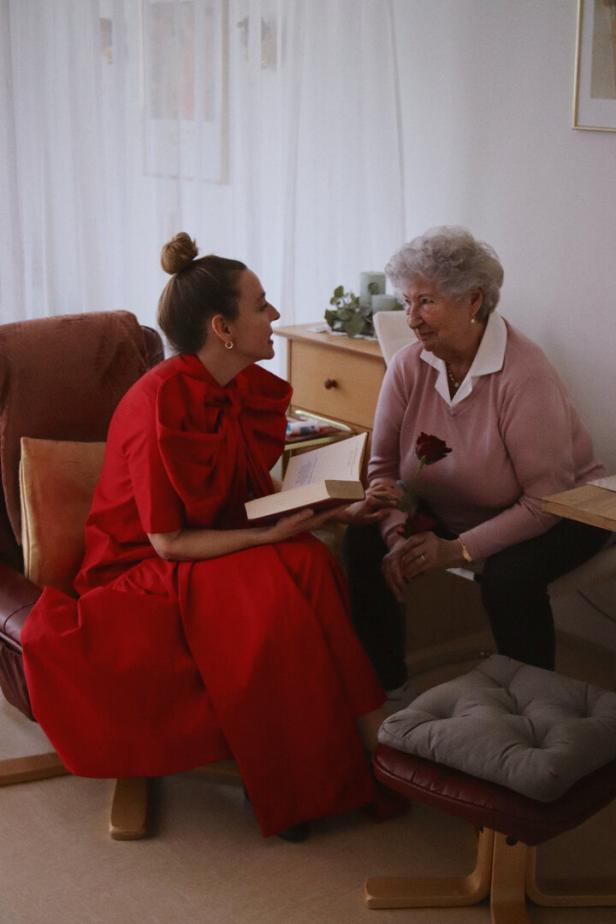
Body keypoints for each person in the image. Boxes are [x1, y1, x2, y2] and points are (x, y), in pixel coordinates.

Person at [22, 232, 393, 841]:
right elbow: (167, 542)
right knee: (281, 570)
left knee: (310, 559)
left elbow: (244, 498)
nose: (275, 315)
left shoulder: (235, 387)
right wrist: (270, 537)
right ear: (223, 327)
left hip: (203, 545)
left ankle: (350, 749)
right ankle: (320, 768)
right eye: (262, 305)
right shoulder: (157, 403)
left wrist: (331, 509)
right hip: (135, 571)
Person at [343, 226, 609, 690]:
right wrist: (395, 533)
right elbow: (383, 471)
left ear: (472, 301)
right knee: (361, 538)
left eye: (426, 302)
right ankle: (382, 688)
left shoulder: (524, 374)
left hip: (566, 511)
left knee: (509, 577)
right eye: (406, 302)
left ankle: (533, 703)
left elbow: (545, 498)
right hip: (456, 507)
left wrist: (457, 549)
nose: (412, 318)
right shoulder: (409, 366)